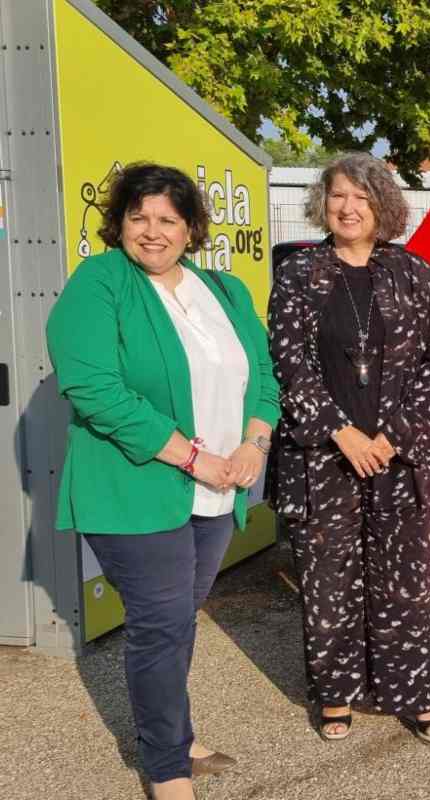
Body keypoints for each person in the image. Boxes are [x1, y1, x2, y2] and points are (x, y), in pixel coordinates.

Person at [46, 163, 280, 800]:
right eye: (138, 217)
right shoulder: (99, 283)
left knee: (178, 617)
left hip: (219, 487)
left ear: (191, 228)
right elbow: (93, 388)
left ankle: (170, 731)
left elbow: (263, 375)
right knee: (161, 622)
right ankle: (166, 767)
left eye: (167, 220)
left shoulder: (224, 290)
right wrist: (195, 456)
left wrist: (254, 443)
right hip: (134, 488)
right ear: (118, 222)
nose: (152, 232)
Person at [268, 153, 430, 744]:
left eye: (362, 198)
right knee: (327, 582)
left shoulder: (416, 274)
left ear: (383, 207)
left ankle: (417, 694)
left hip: (398, 456)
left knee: (406, 584)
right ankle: (335, 695)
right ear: (323, 202)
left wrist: (391, 434)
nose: (348, 208)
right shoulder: (299, 273)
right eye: (338, 195)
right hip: (323, 455)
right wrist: (341, 432)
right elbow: (289, 364)